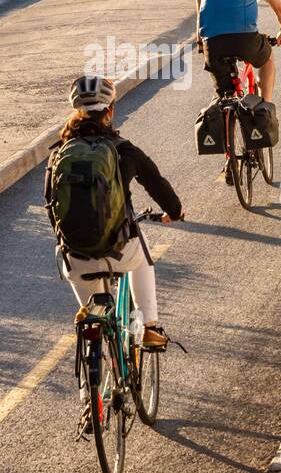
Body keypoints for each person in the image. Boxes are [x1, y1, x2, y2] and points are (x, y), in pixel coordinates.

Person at [47, 76, 184, 439]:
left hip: (78, 258)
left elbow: (52, 210)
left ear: (77, 110)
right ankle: (151, 328)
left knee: (90, 320)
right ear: (111, 110)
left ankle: (91, 401)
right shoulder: (124, 149)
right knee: (143, 259)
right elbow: (157, 184)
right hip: (119, 251)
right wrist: (174, 211)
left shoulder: (58, 154)